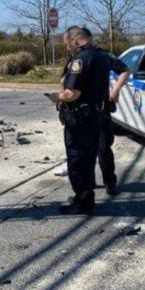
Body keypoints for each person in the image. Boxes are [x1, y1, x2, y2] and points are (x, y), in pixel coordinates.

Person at [47, 26, 109, 214]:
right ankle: (86, 196)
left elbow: (73, 93)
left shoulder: (80, 60)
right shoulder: (102, 55)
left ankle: (82, 201)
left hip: (80, 119)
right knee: (89, 158)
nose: (68, 48)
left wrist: (57, 97)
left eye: (67, 44)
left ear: (75, 40)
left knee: (77, 159)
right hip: (96, 115)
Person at [97, 48, 130, 195]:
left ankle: (110, 182)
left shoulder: (102, 55)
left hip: (100, 110)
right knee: (85, 150)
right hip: (81, 113)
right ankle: (87, 182)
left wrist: (116, 89)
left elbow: (124, 70)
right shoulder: (73, 56)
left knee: (103, 148)